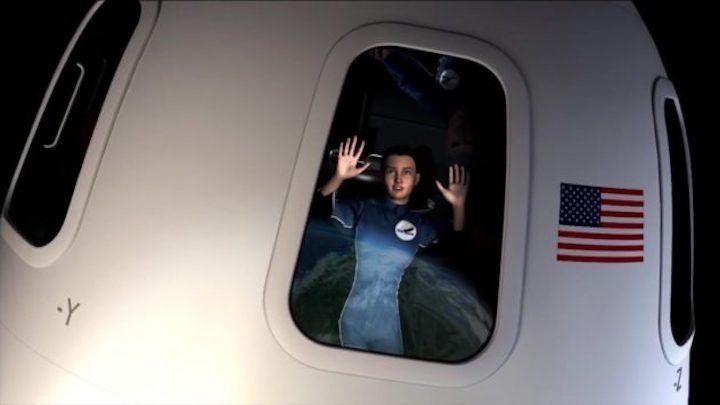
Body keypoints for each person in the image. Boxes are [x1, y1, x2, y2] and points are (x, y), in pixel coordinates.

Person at [319, 135, 469, 355]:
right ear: (383, 175)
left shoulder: (421, 224)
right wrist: (339, 176)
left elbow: (456, 245)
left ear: (416, 178)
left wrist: (459, 206)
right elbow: (321, 207)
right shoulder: (363, 208)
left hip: (390, 321)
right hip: (353, 317)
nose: (398, 179)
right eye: (391, 171)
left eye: (406, 172)